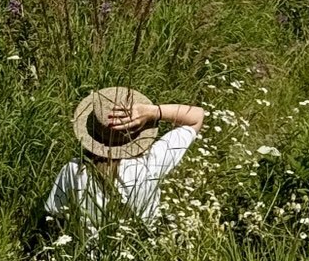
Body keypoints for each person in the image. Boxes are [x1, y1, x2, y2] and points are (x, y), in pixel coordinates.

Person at [45, 85, 204, 228]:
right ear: (139, 134)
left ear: (93, 132)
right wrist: (153, 111)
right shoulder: (151, 163)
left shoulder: (73, 170)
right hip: (140, 254)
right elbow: (197, 116)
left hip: (84, 257)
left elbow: (55, 217)